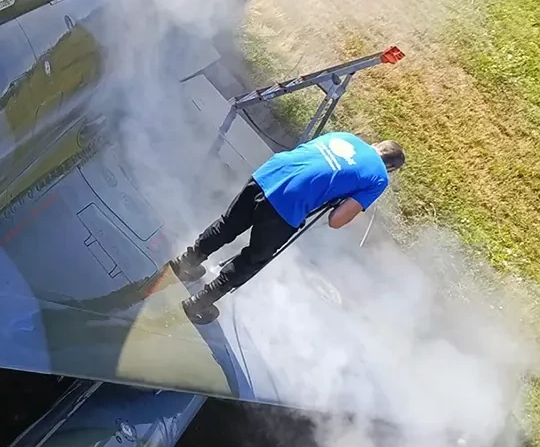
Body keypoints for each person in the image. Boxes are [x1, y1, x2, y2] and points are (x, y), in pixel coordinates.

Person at [171, 132, 404, 323]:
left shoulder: (346, 137)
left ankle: (185, 262)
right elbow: (336, 221)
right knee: (254, 258)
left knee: (228, 224)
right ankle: (199, 303)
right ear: (391, 169)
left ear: (375, 144)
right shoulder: (379, 177)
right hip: (290, 201)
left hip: (271, 173)